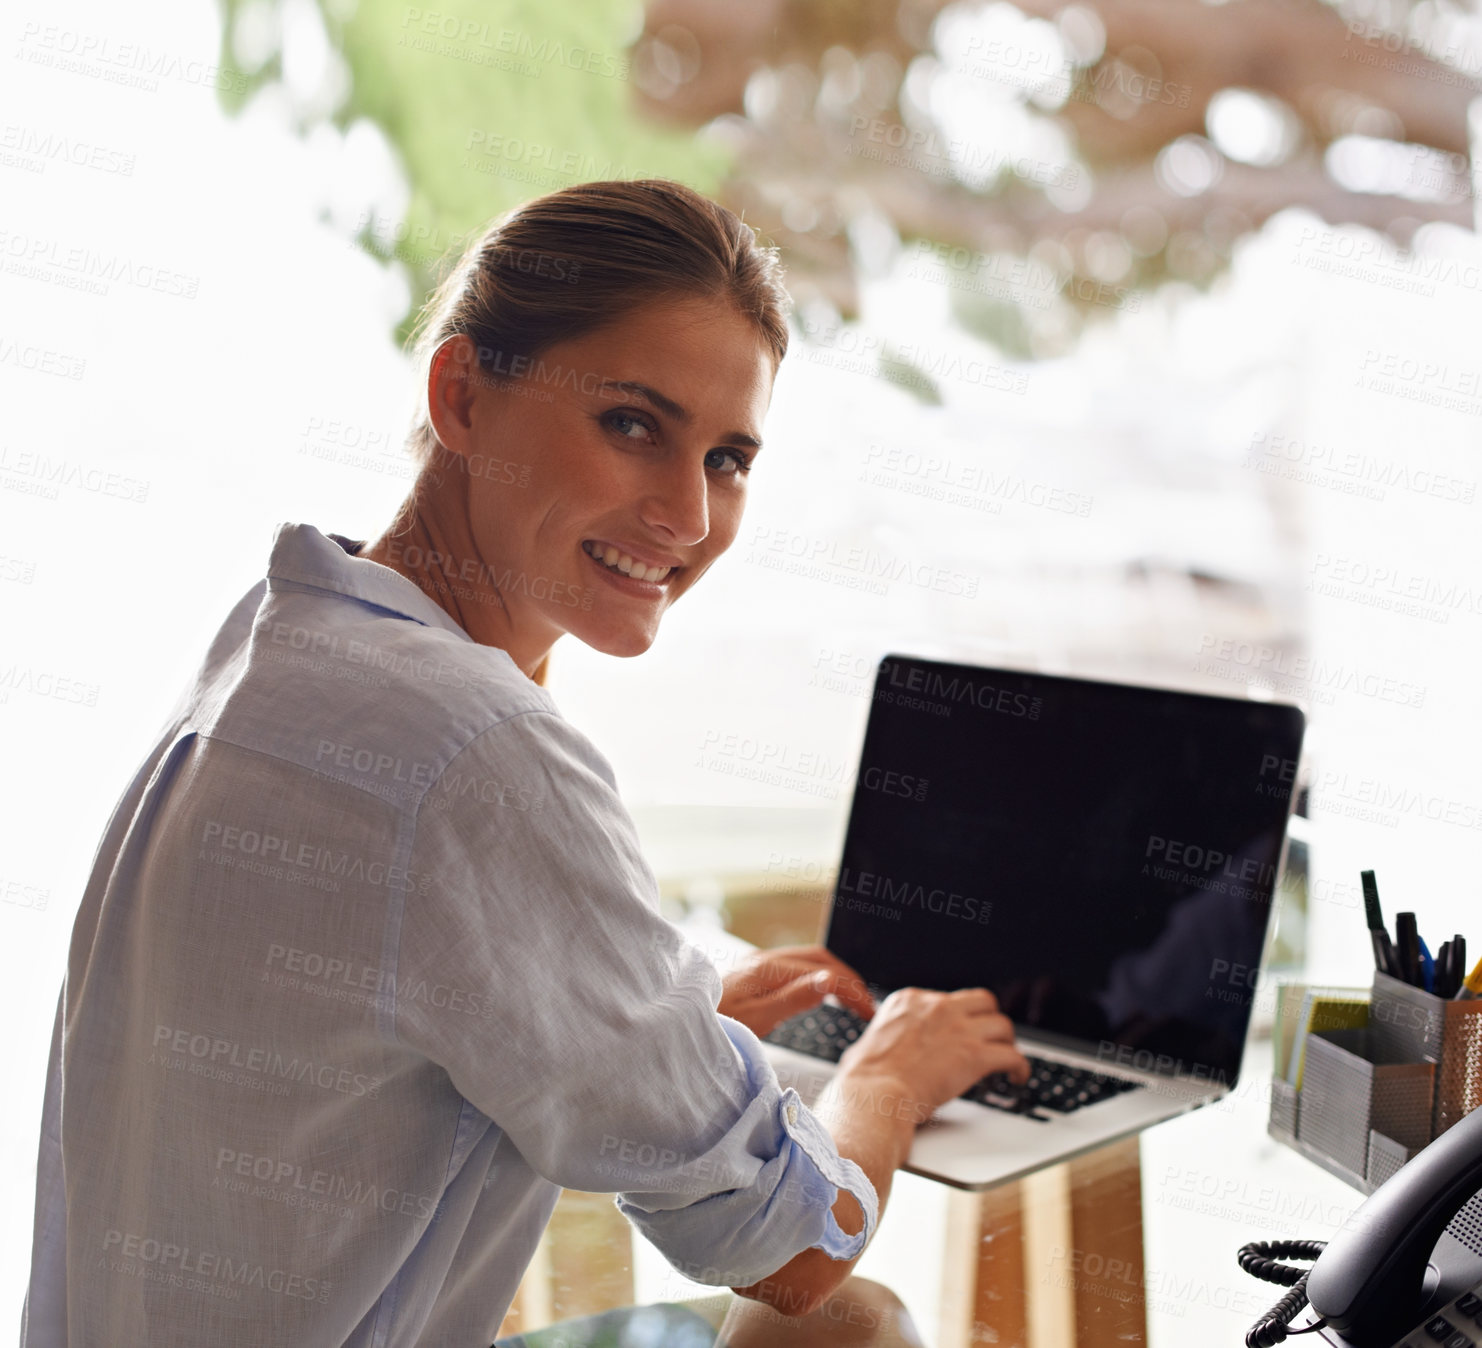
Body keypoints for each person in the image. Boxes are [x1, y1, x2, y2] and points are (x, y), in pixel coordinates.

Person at [20, 178, 1028, 1348]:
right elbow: (791, 1247)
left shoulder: (276, 644)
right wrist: (895, 1073)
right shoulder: (475, 748)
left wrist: (658, 1029)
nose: (690, 516)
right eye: (633, 424)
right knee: (844, 1324)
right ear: (460, 393)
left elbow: (398, 1007)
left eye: (730, 456)